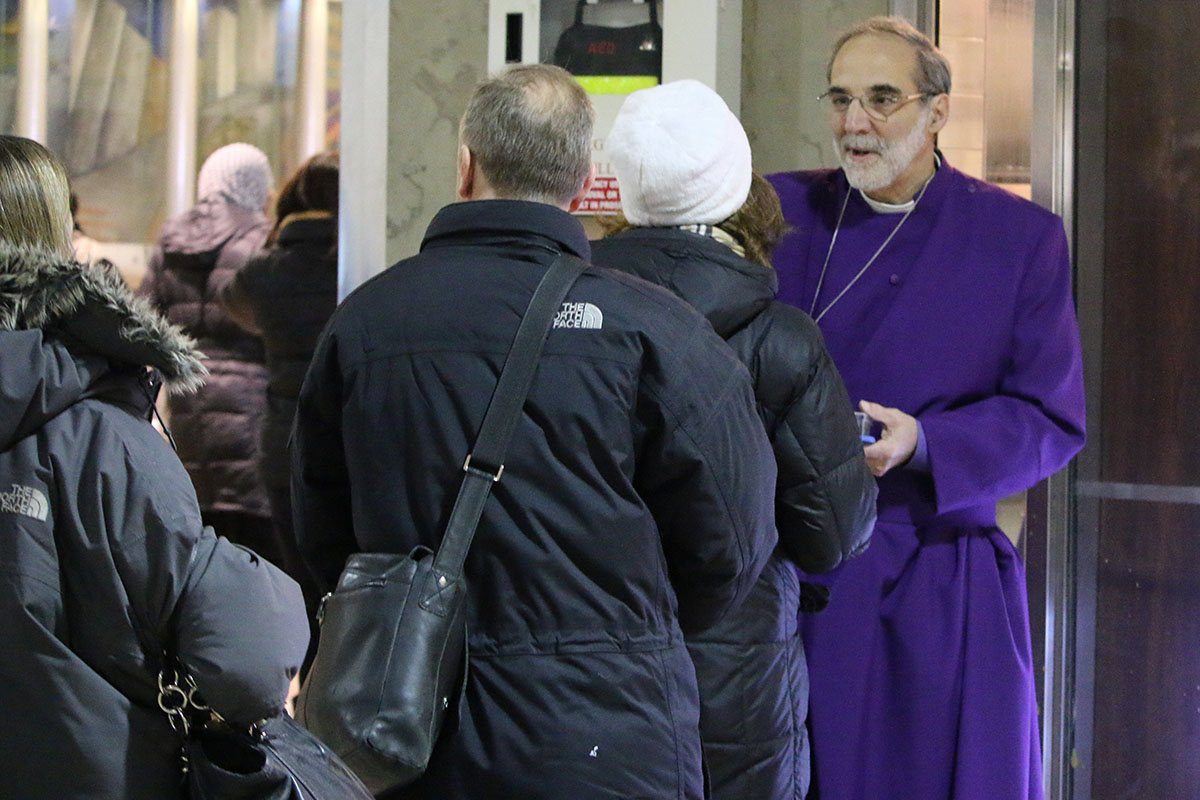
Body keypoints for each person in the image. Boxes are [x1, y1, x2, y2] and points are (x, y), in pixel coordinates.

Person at [291, 64, 778, 800]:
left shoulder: (366, 322)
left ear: (465, 167)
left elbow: (319, 528)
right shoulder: (654, 331)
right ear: (585, 182)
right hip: (609, 734)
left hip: (413, 732)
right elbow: (735, 543)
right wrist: (633, 627)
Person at [767, 17, 1086, 800]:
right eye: (841, 99)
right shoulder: (778, 212)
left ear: (938, 112)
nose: (854, 123)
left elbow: (1052, 419)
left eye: (882, 99)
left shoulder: (1019, 237)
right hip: (785, 561)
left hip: (931, 571)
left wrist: (929, 442)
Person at [590, 79, 878, 799]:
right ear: (739, 185)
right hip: (739, 690)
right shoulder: (780, 341)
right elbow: (833, 537)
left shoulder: (564, 321)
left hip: (583, 686)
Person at [0, 135, 308, 798]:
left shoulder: (174, 242)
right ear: (56, 243)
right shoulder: (102, 441)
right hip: (92, 772)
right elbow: (247, 658)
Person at [220, 150, 340, 670]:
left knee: (298, 576)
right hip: (345, 434)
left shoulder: (263, 272)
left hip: (280, 437)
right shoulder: (358, 261)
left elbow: (233, 304)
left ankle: (304, 689)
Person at [139, 142, 278, 564]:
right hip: (251, 414)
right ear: (256, 185)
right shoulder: (262, 240)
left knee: (198, 549)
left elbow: (142, 324)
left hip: (187, 413)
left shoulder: (170, 239)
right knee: (255, 556)